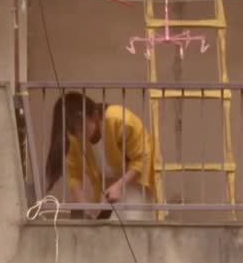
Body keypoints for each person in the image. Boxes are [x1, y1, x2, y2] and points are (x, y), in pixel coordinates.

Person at [44, 92, 159, 221]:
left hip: (135, 182)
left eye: (82, 128)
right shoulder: (74, 138)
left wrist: (119, 185)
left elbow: (143, 156)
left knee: (134, 223)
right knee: (108, 228)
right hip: (107, 189)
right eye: (74, 132)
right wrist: (83, 204)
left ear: (95, 115)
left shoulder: (120, 120)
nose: (80, 136)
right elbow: (74, 174)